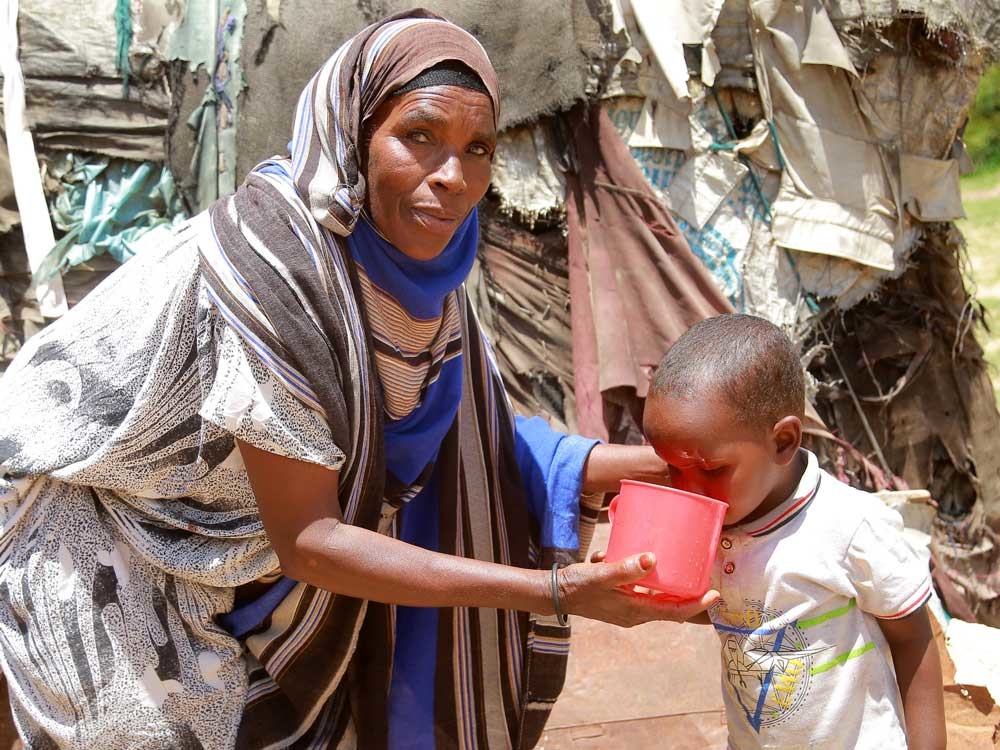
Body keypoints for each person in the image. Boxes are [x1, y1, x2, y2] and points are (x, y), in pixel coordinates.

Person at [0, 11, 716, 750]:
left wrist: (630, 470)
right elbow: (312, 539)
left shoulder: (423, 273)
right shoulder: (279, 277)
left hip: (236, 535)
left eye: (478, 149)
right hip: (93, 506)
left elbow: (465, 443)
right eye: (420, 137)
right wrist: (554, 591)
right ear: (353, 134)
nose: (453, 177)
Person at [642, 313, 946, 749]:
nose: (689, 489)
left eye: (708, 469)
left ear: (783, 441)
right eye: (671, 469)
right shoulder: (712, 522)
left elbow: (914, 639)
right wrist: (645, 586)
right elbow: (724, 610)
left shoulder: (848, 527)